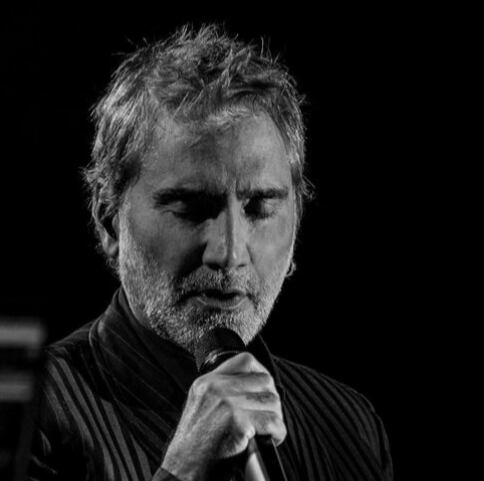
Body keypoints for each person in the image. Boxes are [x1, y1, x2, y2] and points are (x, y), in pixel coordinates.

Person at [28, 25, 393, 481]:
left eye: (260, 208)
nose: (229, 253)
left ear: (297, 224)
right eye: (192, 208)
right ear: (108, 222)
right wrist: (183, 470)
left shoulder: (351, 427)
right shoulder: (31, 412)